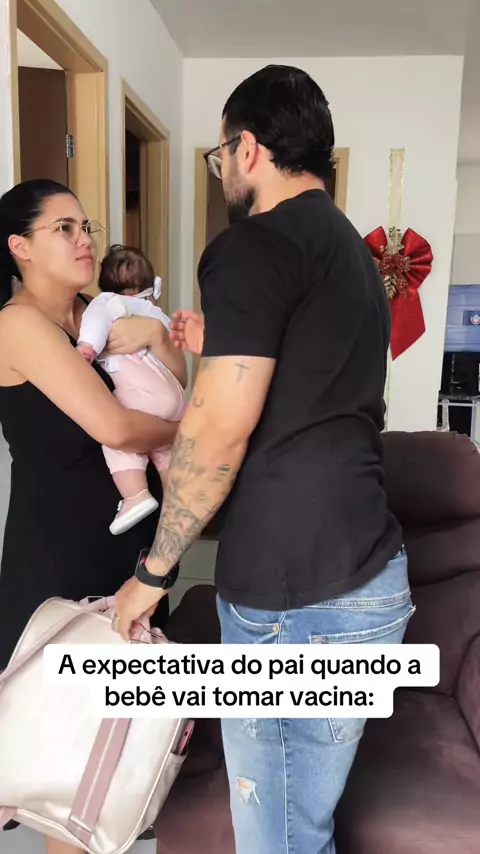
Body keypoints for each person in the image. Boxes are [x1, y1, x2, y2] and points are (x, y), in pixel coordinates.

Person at [113, 65, 414, 854]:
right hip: (365, 576)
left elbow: (216, 432)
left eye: (219, 156)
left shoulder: (255, 246)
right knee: (300, 823)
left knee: (279, 837)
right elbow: (315, 386)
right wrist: (220, 348)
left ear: (246, 149)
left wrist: (153, 572)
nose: (222, 172)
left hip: (298, 600)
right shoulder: (350, 253)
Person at [0, 179, 182, 854]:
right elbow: (117, 426)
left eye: (87, 227)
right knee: (71, 773)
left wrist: (160, 340)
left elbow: (170, 388)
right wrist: (203, 435)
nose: (85, 240)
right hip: (62, 557)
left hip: (135, 554)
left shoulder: (102, 313)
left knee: (117, 756)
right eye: (64, 228)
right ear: (19, 247)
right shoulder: (18, 325)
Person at [77, 245, 187, 535]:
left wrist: (87, 347)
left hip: (143, 397)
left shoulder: (104, 302)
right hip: (174, 396)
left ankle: (135, 496)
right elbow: (175, 350)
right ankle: (177, 501)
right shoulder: (154, 312)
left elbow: (95, 323)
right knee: (166, 451)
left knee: (119, 441)